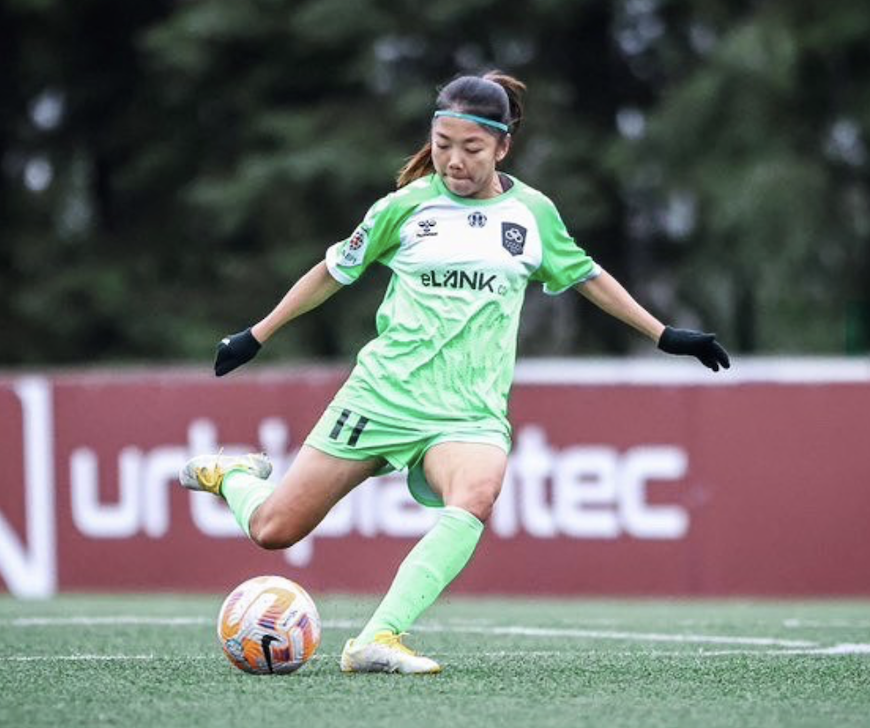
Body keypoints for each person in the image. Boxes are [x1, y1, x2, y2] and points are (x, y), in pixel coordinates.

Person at [178, 71, 730, 675]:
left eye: (471, 148)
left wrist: (664, 334)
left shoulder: (532, 215)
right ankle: (232, 474)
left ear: (502, 147)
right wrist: (256, 334)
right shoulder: (404, 208)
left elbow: (587, 276)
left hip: (469, 412)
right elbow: (332, 272)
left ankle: (377, 638)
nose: (454, 161)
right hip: (383, 396)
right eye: (442, 145)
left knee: (477, 494)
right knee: (274, 530)